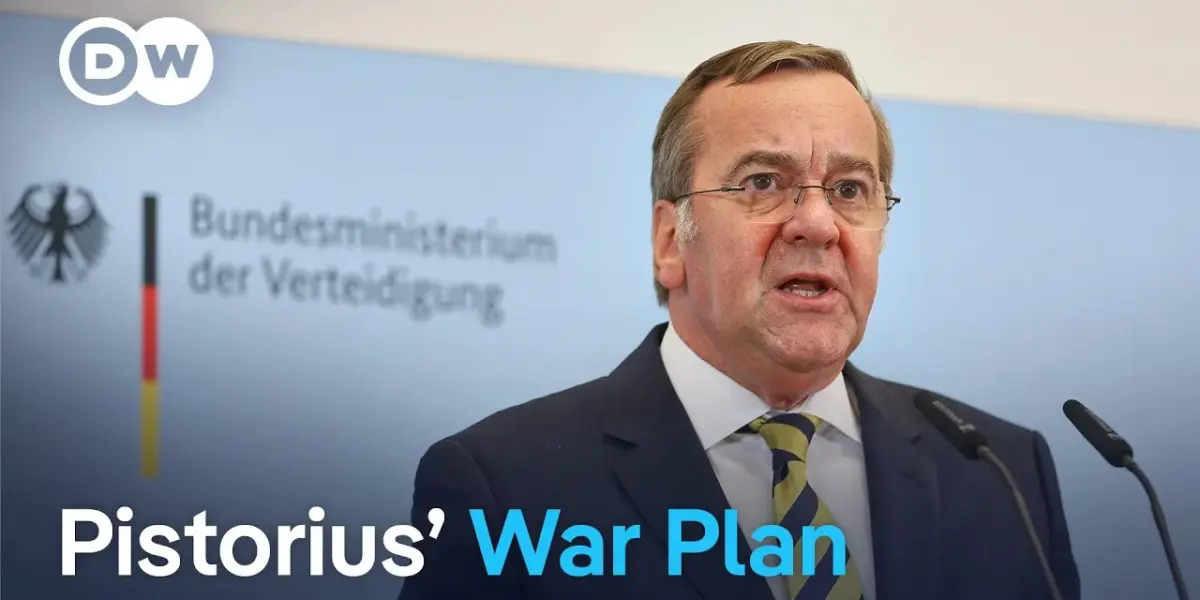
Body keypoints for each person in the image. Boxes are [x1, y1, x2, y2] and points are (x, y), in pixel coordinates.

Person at [397, 41, 1081, 600]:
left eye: (850, 190)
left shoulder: (1002, 475)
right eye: (763, 183)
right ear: (671, 241)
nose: (818, 224)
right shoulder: (505, 486)